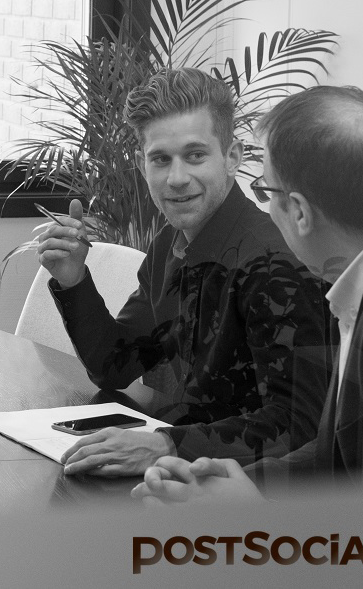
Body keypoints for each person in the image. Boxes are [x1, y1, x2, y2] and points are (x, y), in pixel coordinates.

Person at [133, 86, 363, 504]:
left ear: (299, 212)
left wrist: (251, 514)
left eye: (266, 192)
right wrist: (249, 484)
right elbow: (341, 451)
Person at [37, 68, 333, 476]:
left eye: (195, 155)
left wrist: (167, 446)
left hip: (253, 490)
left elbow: (298, 423)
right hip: (182, 471)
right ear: (142, 165)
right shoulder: (168, 244)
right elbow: (116, 365)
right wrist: (73, 281)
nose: (176, 179)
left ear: (232, 158)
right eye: (161, 159)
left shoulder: (275, 264)